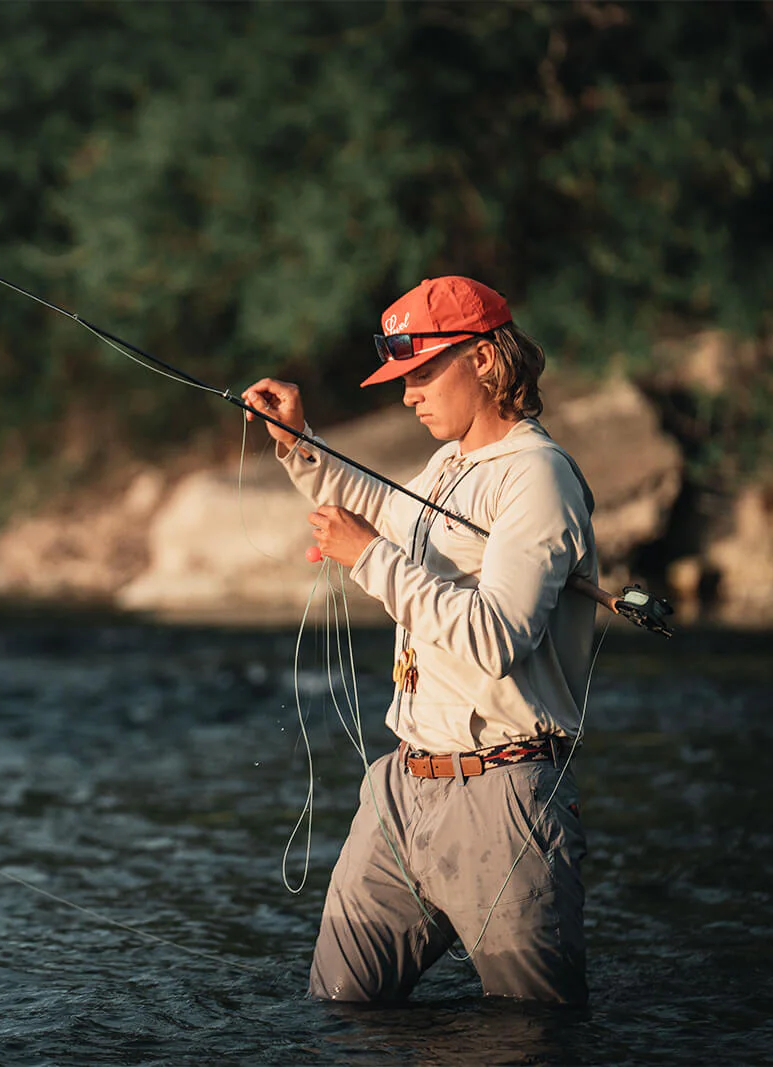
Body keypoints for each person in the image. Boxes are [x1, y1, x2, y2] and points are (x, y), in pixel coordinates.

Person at [241, 275, 597, 1005]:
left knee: (533, 1036)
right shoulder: (449, 464)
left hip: (503, 797)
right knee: (340, 1011)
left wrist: (366, 556)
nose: (408, 394)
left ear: (487, 361)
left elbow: (497, 635)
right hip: (401, 792)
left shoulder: (538, 478)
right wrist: (298, 444)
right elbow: (381, 507)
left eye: (423, 372)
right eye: (403, 378)